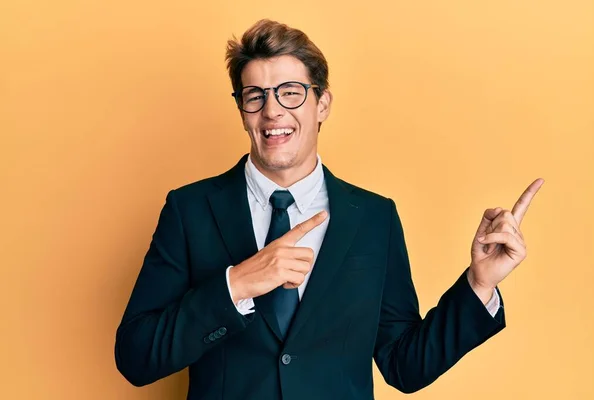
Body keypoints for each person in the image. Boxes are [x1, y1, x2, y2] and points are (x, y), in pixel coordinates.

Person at [114, 19, 544, 399]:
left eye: (290, 92)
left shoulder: (375, 217)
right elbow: (136, 357)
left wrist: (479, 284)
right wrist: (236, 285)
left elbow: (404, 365)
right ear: (241, 111)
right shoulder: (189, 210)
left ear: (322, 104)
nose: (272, 111)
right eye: (255, 96)